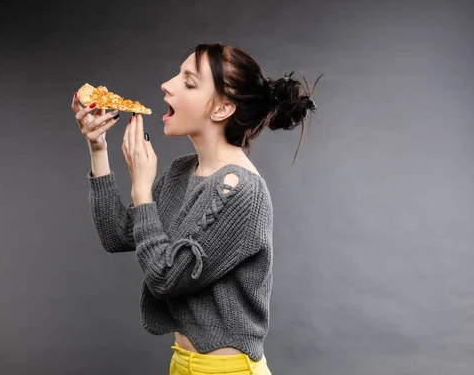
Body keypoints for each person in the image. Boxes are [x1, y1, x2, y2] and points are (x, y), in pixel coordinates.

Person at [71, 43, 321, 375]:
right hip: (182, 364)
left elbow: (164, 277)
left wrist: (142, 188)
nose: (167, 85)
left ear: (221, 110)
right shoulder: (181, 171)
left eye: (188, 82)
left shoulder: (242, 190)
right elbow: (117, 235)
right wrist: (97, 148)